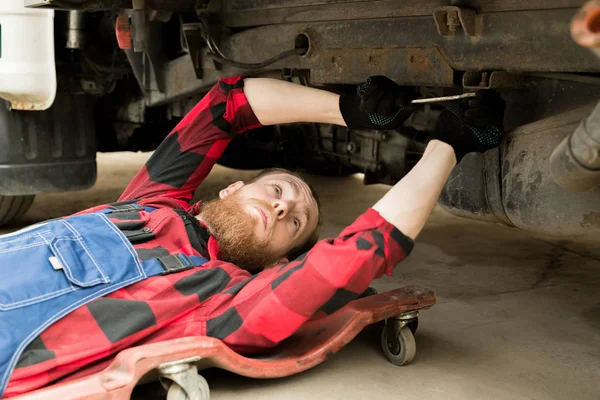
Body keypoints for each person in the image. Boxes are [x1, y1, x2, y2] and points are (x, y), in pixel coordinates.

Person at [1, 75, 505, 397]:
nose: (284, 206)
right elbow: (228, 104)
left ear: (276, 263)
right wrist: (349, 110)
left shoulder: (222, 301)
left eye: (294, 224)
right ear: (234, 186)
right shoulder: (153, 200)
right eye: (280, 190)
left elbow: (352, 257)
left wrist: (447, 145)